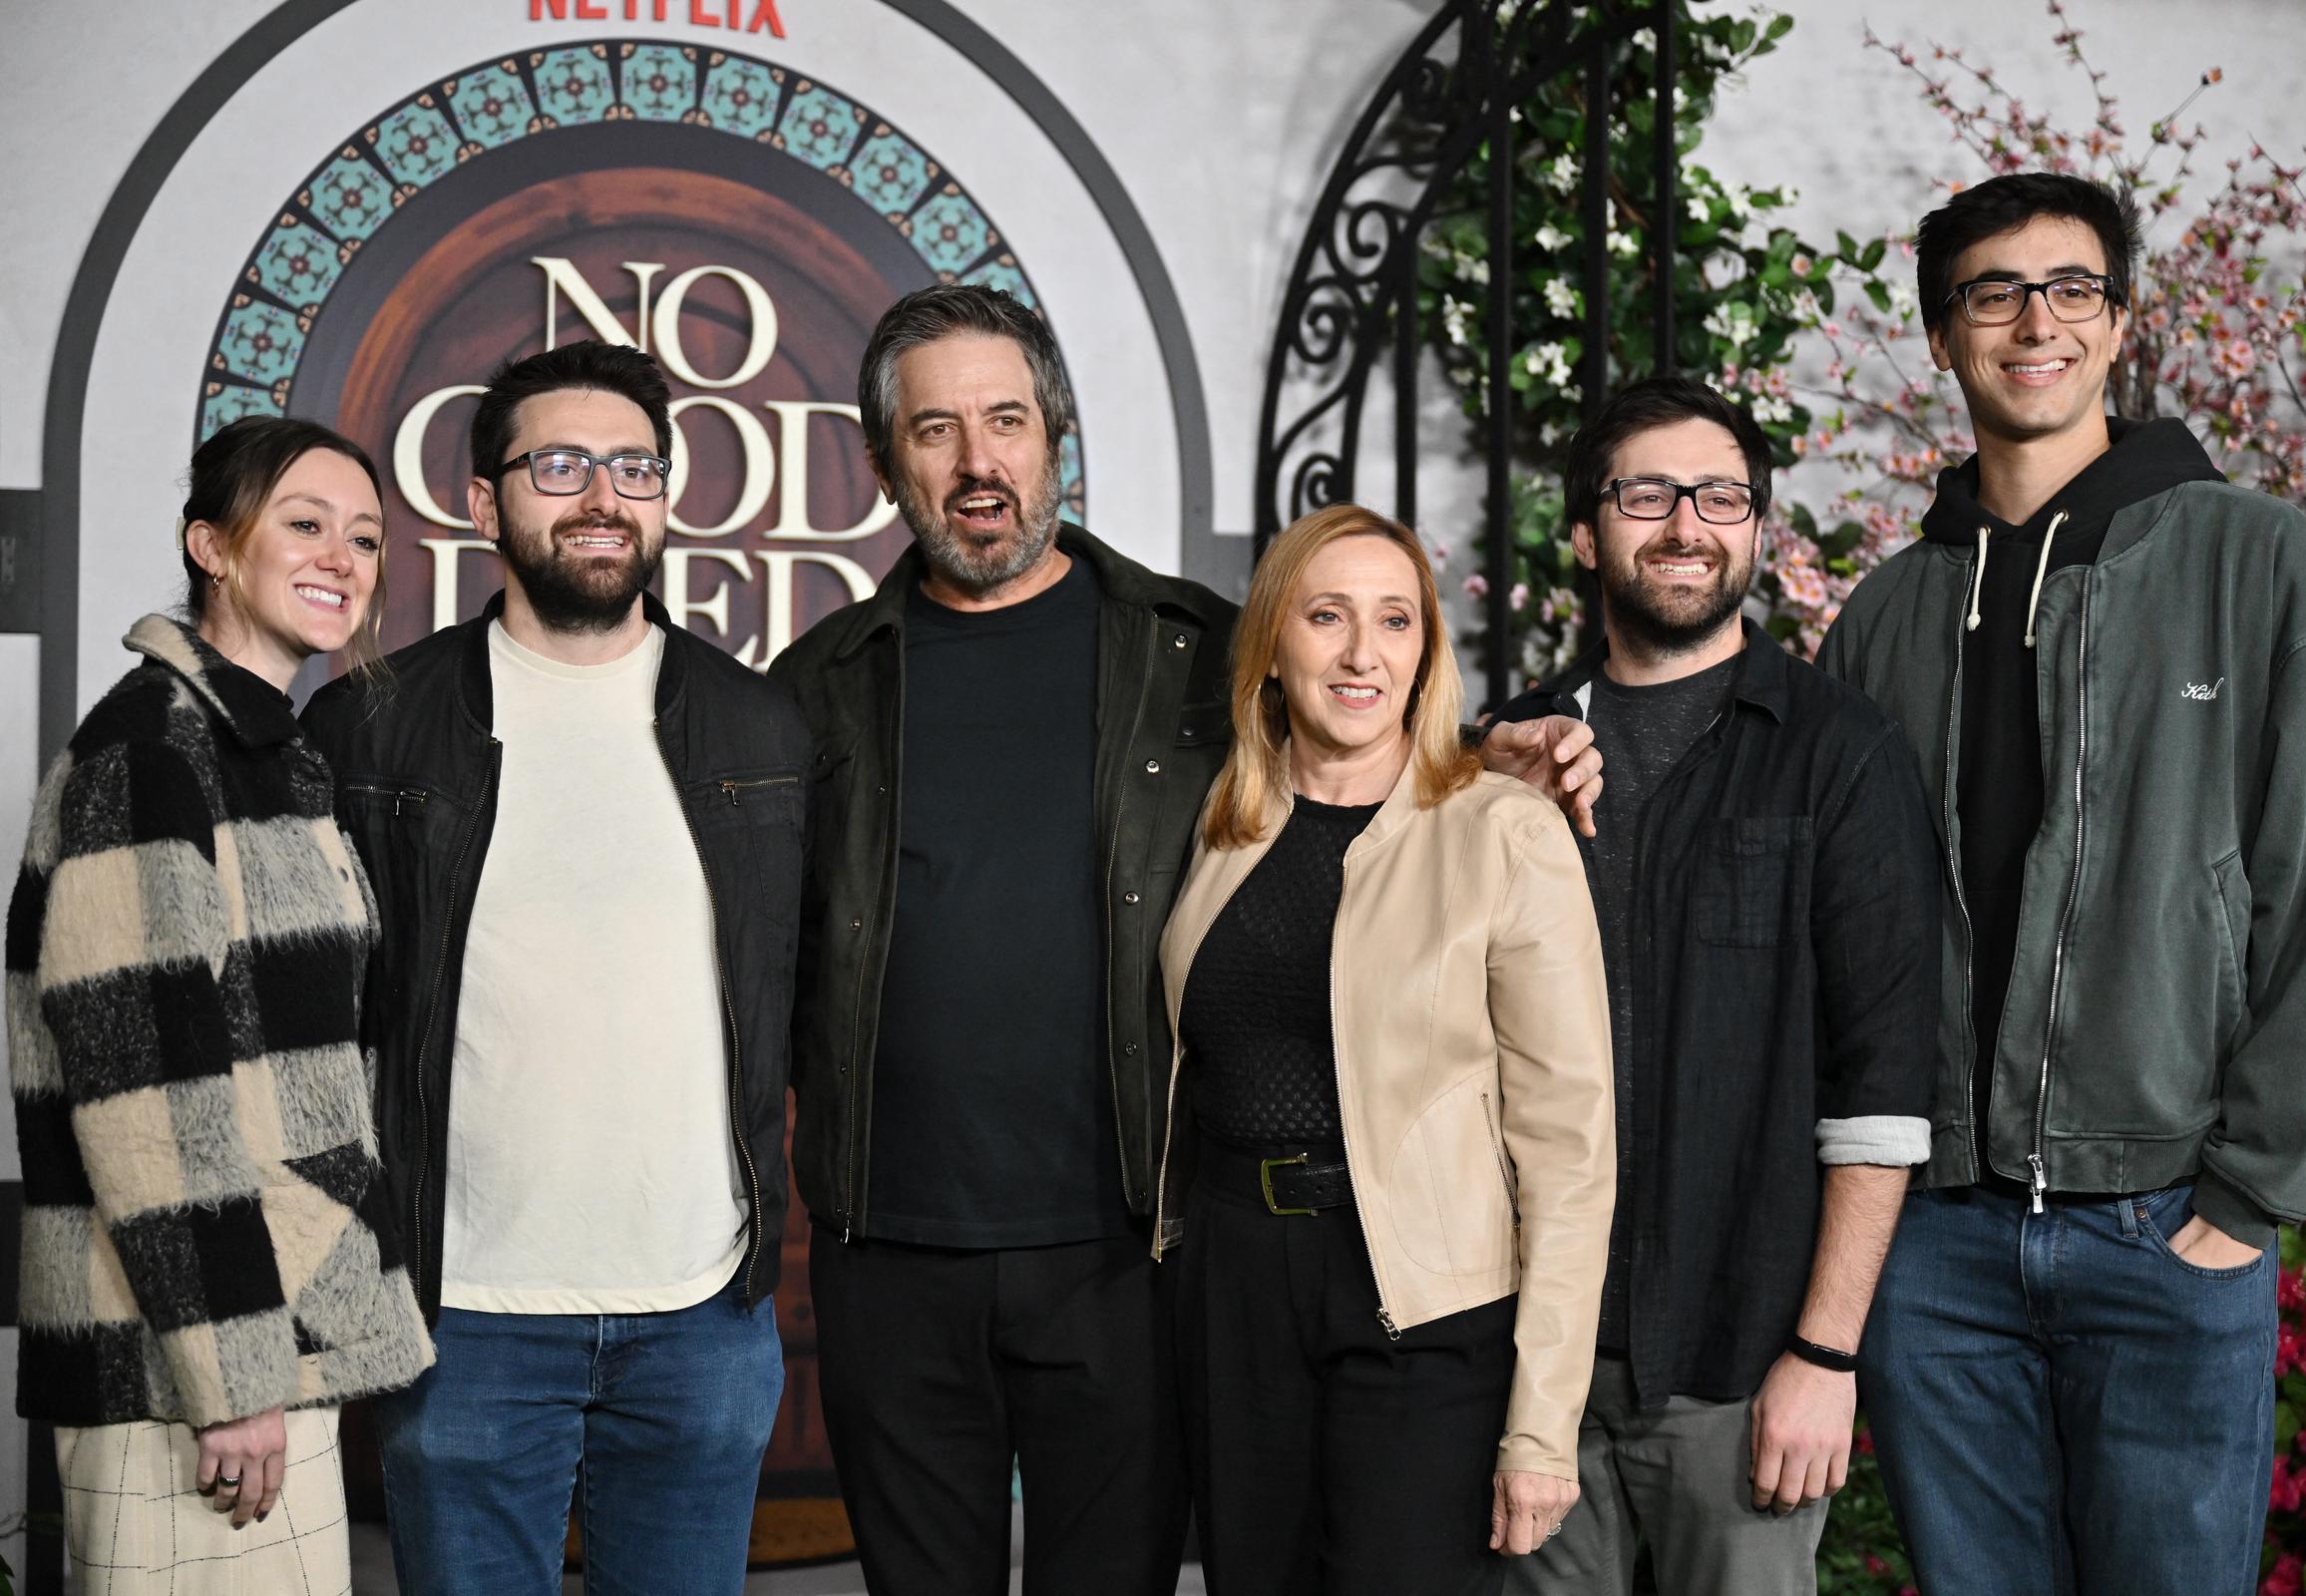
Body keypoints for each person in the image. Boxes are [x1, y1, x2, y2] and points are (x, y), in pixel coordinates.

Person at [768, 282, 1607, 1594]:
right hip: (893, 1260)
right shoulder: (817, 688)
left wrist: (1495, 741)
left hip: (1123, 1253)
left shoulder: (1195, 653)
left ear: (1057, 438)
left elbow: (1359, 727)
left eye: (1006, 421)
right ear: (884, 463)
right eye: (936, 433)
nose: (979, 462)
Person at [1816, 172, 2306, 1596]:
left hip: (2163, 1217)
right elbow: (1827, 914)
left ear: (2120, 324)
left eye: (2073, 288)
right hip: (1938, 1238)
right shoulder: (1889, 611)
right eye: (1993, 293)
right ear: (1943, 335)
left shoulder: (2251, 559)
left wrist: (2251, 1193)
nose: (2036, 322)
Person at [300, 340, 810, 1592]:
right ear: (485, 502)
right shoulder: (370, 724)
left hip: (703, 1316)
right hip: (461, 1316)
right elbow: (311, 1034)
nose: (603, 497)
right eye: (563, 464)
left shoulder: (762, 727)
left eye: (635, 466)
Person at [1486, 379, 1939, 1596]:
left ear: (1755, 530)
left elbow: (1885, 1086)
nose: (1687, 523)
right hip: (1529, 1369)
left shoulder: (1839, 754)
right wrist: (1471, 769)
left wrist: (1823, 1353)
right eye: (1647, 493)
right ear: (1587, 532)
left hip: (1741, 1372)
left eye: (1722, 497)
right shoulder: (1508, 754)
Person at [6, 416, 433, 1591]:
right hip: (189, 1372)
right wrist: (234, 1377)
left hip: (258, 1346)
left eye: (364, 537)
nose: (341, 557)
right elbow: (148, 1106)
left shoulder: (261, 755)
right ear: (212, 544)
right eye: (304, 524)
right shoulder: (152, 753)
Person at [1156, 502, 1615, 1595]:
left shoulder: (1504, 830)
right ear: (1273, 643)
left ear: (1426, 652)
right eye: (1327, 616)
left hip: (1422, 1301)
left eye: (1396, 620)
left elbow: (1570, 1150)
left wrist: (1542, 1429)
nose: (1364, 652)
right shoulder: (1217, 821)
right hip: (1234, 1294)